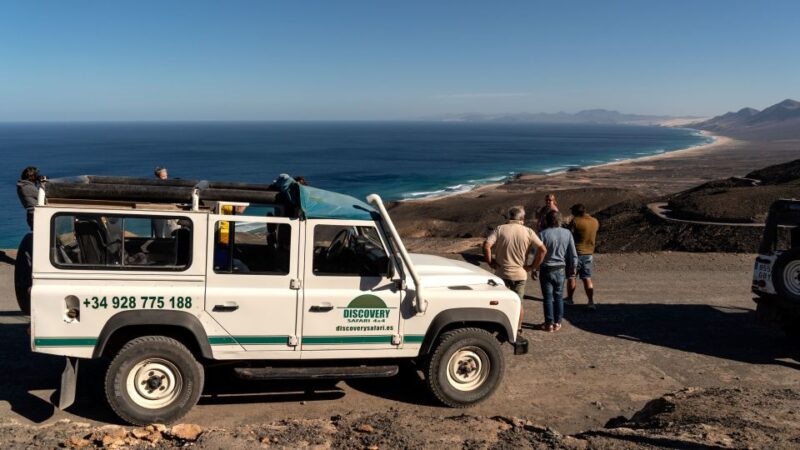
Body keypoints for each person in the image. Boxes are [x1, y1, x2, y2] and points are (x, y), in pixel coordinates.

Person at [483, 206, 547, 334]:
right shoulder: (528, 231)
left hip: (502, 273)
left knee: (501, 302)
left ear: (509, 217)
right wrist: (532, 267)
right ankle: (518, 328)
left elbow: (486, 245)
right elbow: (543, 250)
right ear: (522, 218)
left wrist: (490, 262)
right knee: (518, 303)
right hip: (520, 274)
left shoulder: (500, 229)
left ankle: (500, 326)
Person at [534, 210, 577, 332]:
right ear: (560, 220)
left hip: (546, 269)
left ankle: (549, 324)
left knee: (547, 297)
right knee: (558, 297)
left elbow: (538, 254)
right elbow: (573, 253)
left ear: (547, 220)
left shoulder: (542, 234)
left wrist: (535, 268)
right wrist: (573, 267)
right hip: (560, 269)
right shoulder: (567, 233)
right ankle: (558, 323)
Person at [566, 203, 599, 309]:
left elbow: (569, 235)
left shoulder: (575, 221)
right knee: (587, 278)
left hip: (576, 253)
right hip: (589, 253)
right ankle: (591, 302)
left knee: (572, 277)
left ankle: (570, 299)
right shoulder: (595, 221)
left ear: (575, 212)